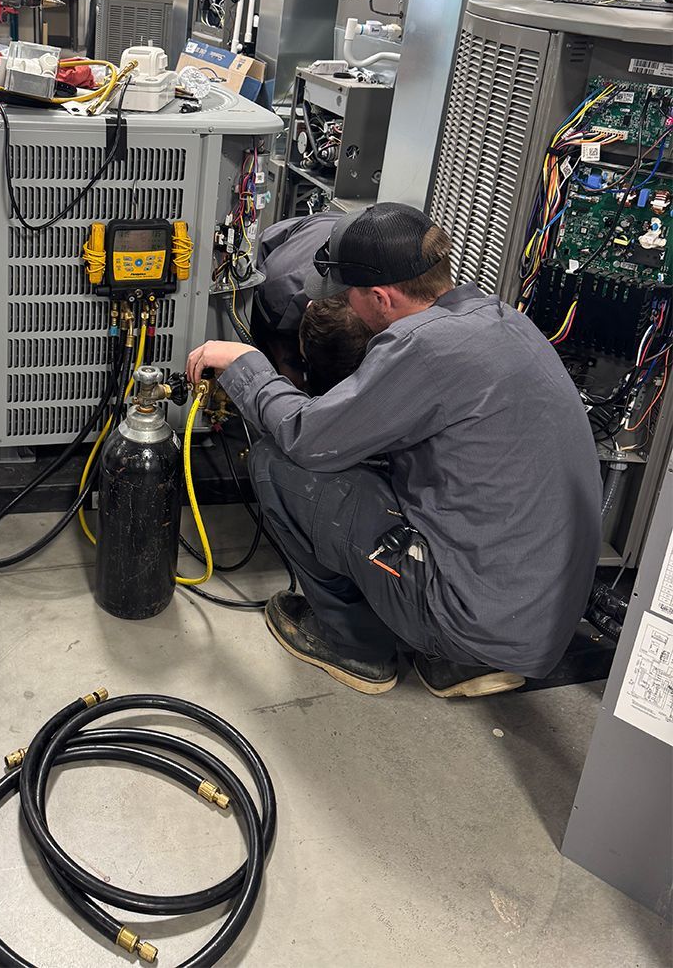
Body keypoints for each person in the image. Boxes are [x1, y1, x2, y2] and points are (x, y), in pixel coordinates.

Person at [187, 202, 603, 698]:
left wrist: (246, 364)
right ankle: (456, 663)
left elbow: (308, 438)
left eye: (349, 294)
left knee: (277, 464)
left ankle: (354, 644)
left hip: (473, 620)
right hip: (532, 617)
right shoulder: (501, 320)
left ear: (382, 298)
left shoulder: (423, 346)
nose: (343, 303)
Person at [250, 212, 344, 387]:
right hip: (288, 247)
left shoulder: (372, 310)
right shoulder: (277, 294)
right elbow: (273, 340)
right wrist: (291, 378)